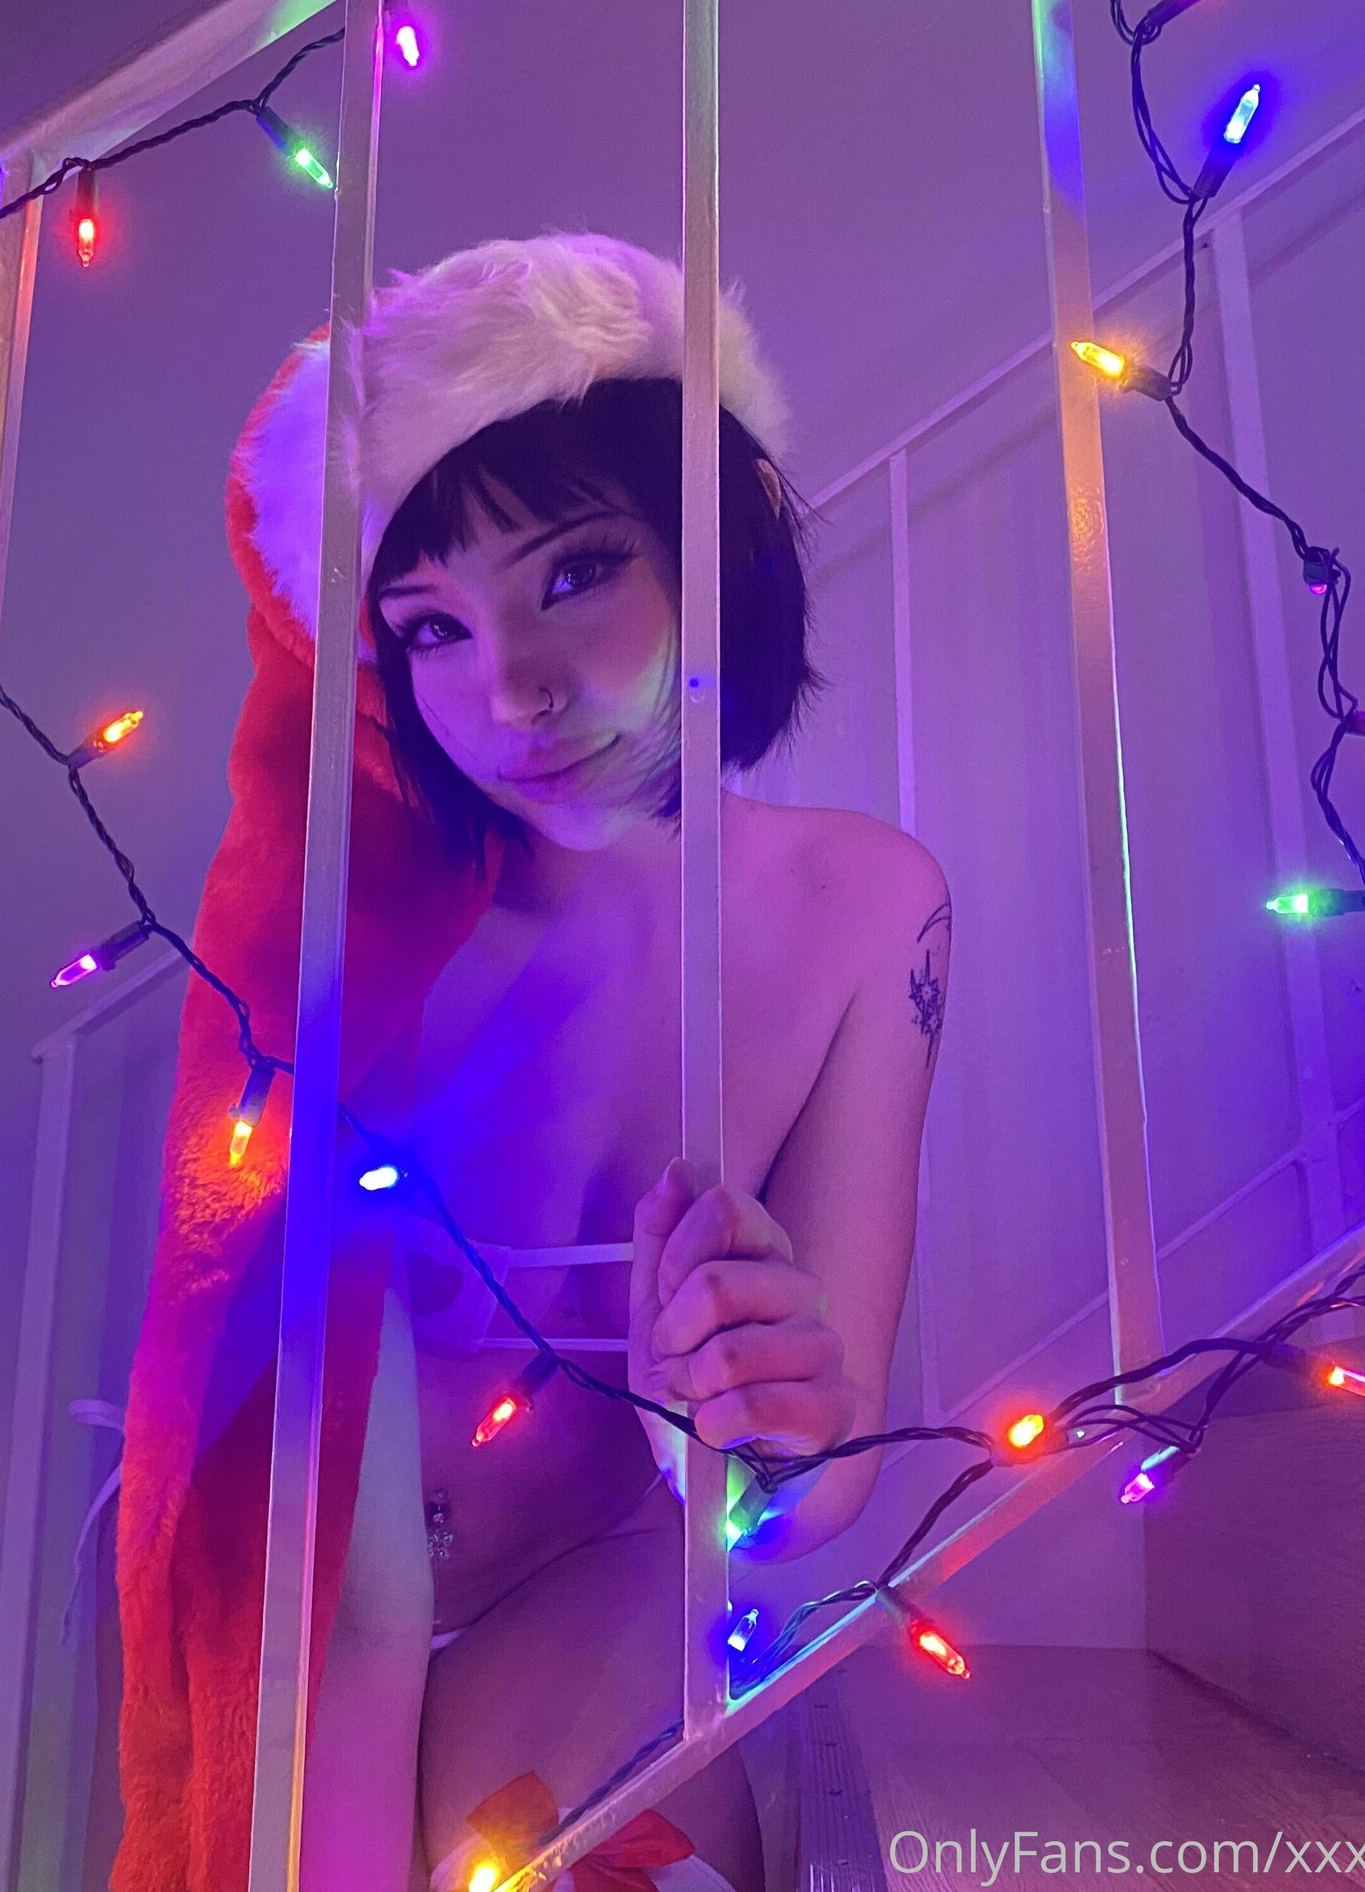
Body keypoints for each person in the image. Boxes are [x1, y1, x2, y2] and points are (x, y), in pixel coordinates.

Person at [113, 236, 948, 1892]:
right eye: (430, 626)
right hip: (299, 1602)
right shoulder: (354, 961)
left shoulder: (871, 910)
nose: (510, 691)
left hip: (586, 1586)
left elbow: (796, 1499)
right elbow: (347, 1606)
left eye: (573, 574)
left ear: (716, 542)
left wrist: (769, 1422)